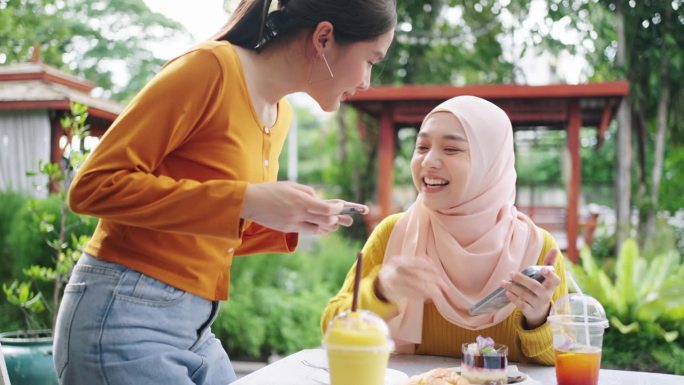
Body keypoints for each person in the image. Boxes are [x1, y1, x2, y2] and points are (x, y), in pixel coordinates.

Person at [53, 1, 397, 384]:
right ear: (324, 38)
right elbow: (92, 186)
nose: (368, 80)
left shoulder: (280, 115)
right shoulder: (210, 69)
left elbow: (206, 230)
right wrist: (246, 199)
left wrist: (292, 217)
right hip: (122, 316)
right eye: (371, 59)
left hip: (197, 329)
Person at [321, 96, 568, 365]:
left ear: (491, 164)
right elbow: (332, 330)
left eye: (451, 149)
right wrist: (380, 292)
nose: (428, 161)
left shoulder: (537, 248)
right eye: (422, 146)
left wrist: (539, 317)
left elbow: (564, 357)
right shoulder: (394, 233)